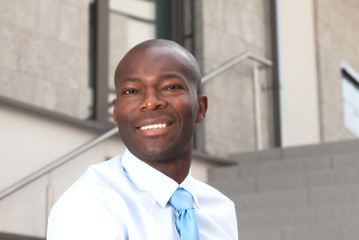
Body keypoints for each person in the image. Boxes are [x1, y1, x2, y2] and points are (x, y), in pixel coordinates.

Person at [47, 39, 238, 239]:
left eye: (171, 87)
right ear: (116, 113)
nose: (150, 102)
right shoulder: (89, 204)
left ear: (201, 108)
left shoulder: (220, 210)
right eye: (131, 91)